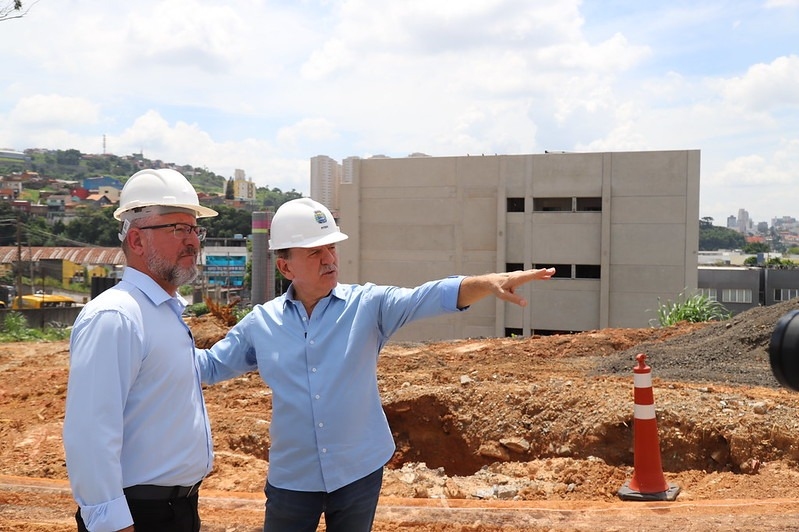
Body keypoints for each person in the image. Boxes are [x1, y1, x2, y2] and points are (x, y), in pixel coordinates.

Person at [197, 197, 555, 532]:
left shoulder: (367, 305)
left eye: (332, 248)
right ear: (285, 265)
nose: (330, 259)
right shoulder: (262, 324)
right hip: (293, 478)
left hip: (357, 472)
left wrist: (488, 282)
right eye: (315, 251)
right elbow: (210, 366)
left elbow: (427, 297)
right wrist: (155, 343)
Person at [63, 168, 218, 532]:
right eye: (178, 229)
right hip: (138, 515)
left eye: (195, 230)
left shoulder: (164, 313)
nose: (193, 241)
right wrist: (111, 523)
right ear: (136, 240)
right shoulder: (116, 316)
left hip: (176, 510)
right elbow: (90, 433)